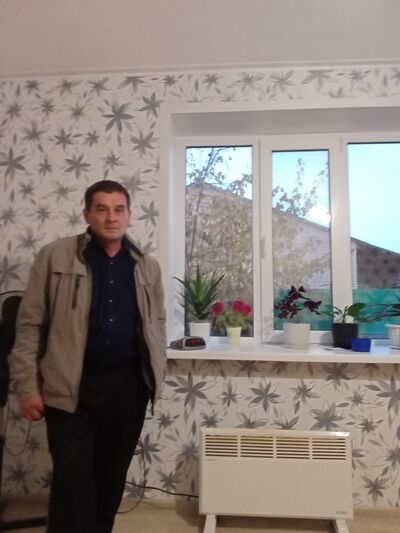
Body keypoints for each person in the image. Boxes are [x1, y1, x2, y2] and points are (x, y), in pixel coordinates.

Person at [10, 180, 166, 533]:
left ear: (129, 215)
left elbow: (156, 321)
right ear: (87, 214)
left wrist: (155, 375)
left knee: (110, 483)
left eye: (119, 209)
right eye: (102, 209)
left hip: (128, 389)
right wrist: (27, 386)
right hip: (70, 388)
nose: (111, 217)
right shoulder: (55, 256)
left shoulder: (146, 266)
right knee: (73, 487)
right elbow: (30, 324)